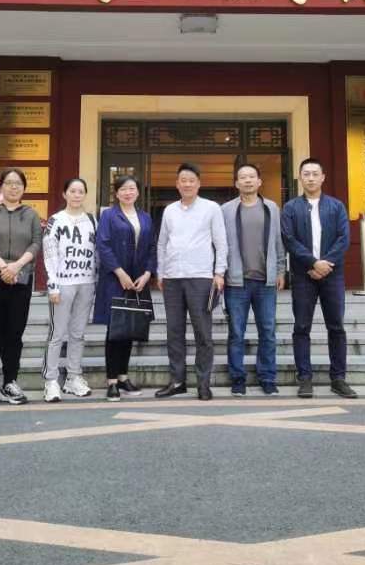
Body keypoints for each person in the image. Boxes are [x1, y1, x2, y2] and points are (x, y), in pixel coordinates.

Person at [281, 158, 357, 399]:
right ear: (300, 177)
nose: (311, 178)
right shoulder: (291, 208)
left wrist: (325, 264)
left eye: (315, 173)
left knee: (336, 326)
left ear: (323, 177)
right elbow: (289, 239)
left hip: (332, 275)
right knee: (301, 327)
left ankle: (338, 378)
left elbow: (343, 238)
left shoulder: (336, 206)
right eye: (306, 174)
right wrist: (313, 263)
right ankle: (305, 378)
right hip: (304, 275)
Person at [155, 162, 228, 401]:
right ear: (177, 184)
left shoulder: (211, 208)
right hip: (173, 278)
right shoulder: (170, 210)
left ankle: (203, 383)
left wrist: (219, 272)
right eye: (183, 180)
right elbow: (162, 243)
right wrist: (161, 272)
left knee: (203, 334)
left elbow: (221, 242)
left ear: (199, 184)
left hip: (201, 277)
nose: (187, 184)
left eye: (191, 180)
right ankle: (177, 381)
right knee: (174, 332)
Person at [0, 168, 42, 408]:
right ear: (1, 186)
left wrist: (16, 267)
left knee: (15, 333)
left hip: (21, 280)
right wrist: (4, 267)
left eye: (18, 183)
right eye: (9, 183)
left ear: (24, 188)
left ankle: (10, 381)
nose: (14, 187)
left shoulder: (31, 214)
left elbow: (36, 243)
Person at [222, 163, 285, 397]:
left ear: (259, 181)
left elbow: (278, 240)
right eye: (243, 177)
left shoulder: (271, 208)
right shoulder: (226, 210)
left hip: (265, 281)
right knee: (236, 333)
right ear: (236, 183)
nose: (247, 180)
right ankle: (238, 379)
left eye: (251, 177)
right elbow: (219, 243)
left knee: (267, 331)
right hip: (236, 281)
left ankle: (267, 378)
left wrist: (280, 270)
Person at [94, 175, 156, 402]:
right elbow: (103, 245)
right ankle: (112, 381)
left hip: (138, 281)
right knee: (114, 330)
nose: (128, 192)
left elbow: (152, 247)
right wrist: (120, 273)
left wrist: (147, 274)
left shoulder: (145, 217)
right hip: (115, 279)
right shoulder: (109, 215)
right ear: (117, 193)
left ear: (138, 192)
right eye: (123, 189)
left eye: (132, 188)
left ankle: (123, 377)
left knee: (129, 328)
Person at [42, 178, 97, 403]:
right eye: (72, 191)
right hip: (63, 284)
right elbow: (50, 254)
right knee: (57, 334)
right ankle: (51, 380)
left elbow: (97, 252)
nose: (76, 195)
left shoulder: (92, 220)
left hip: (86, 282)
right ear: (64, 194)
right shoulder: (56, 220)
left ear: (85, 195)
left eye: (80, 191)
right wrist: (53, 284)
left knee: (78, 333)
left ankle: (73, 376)